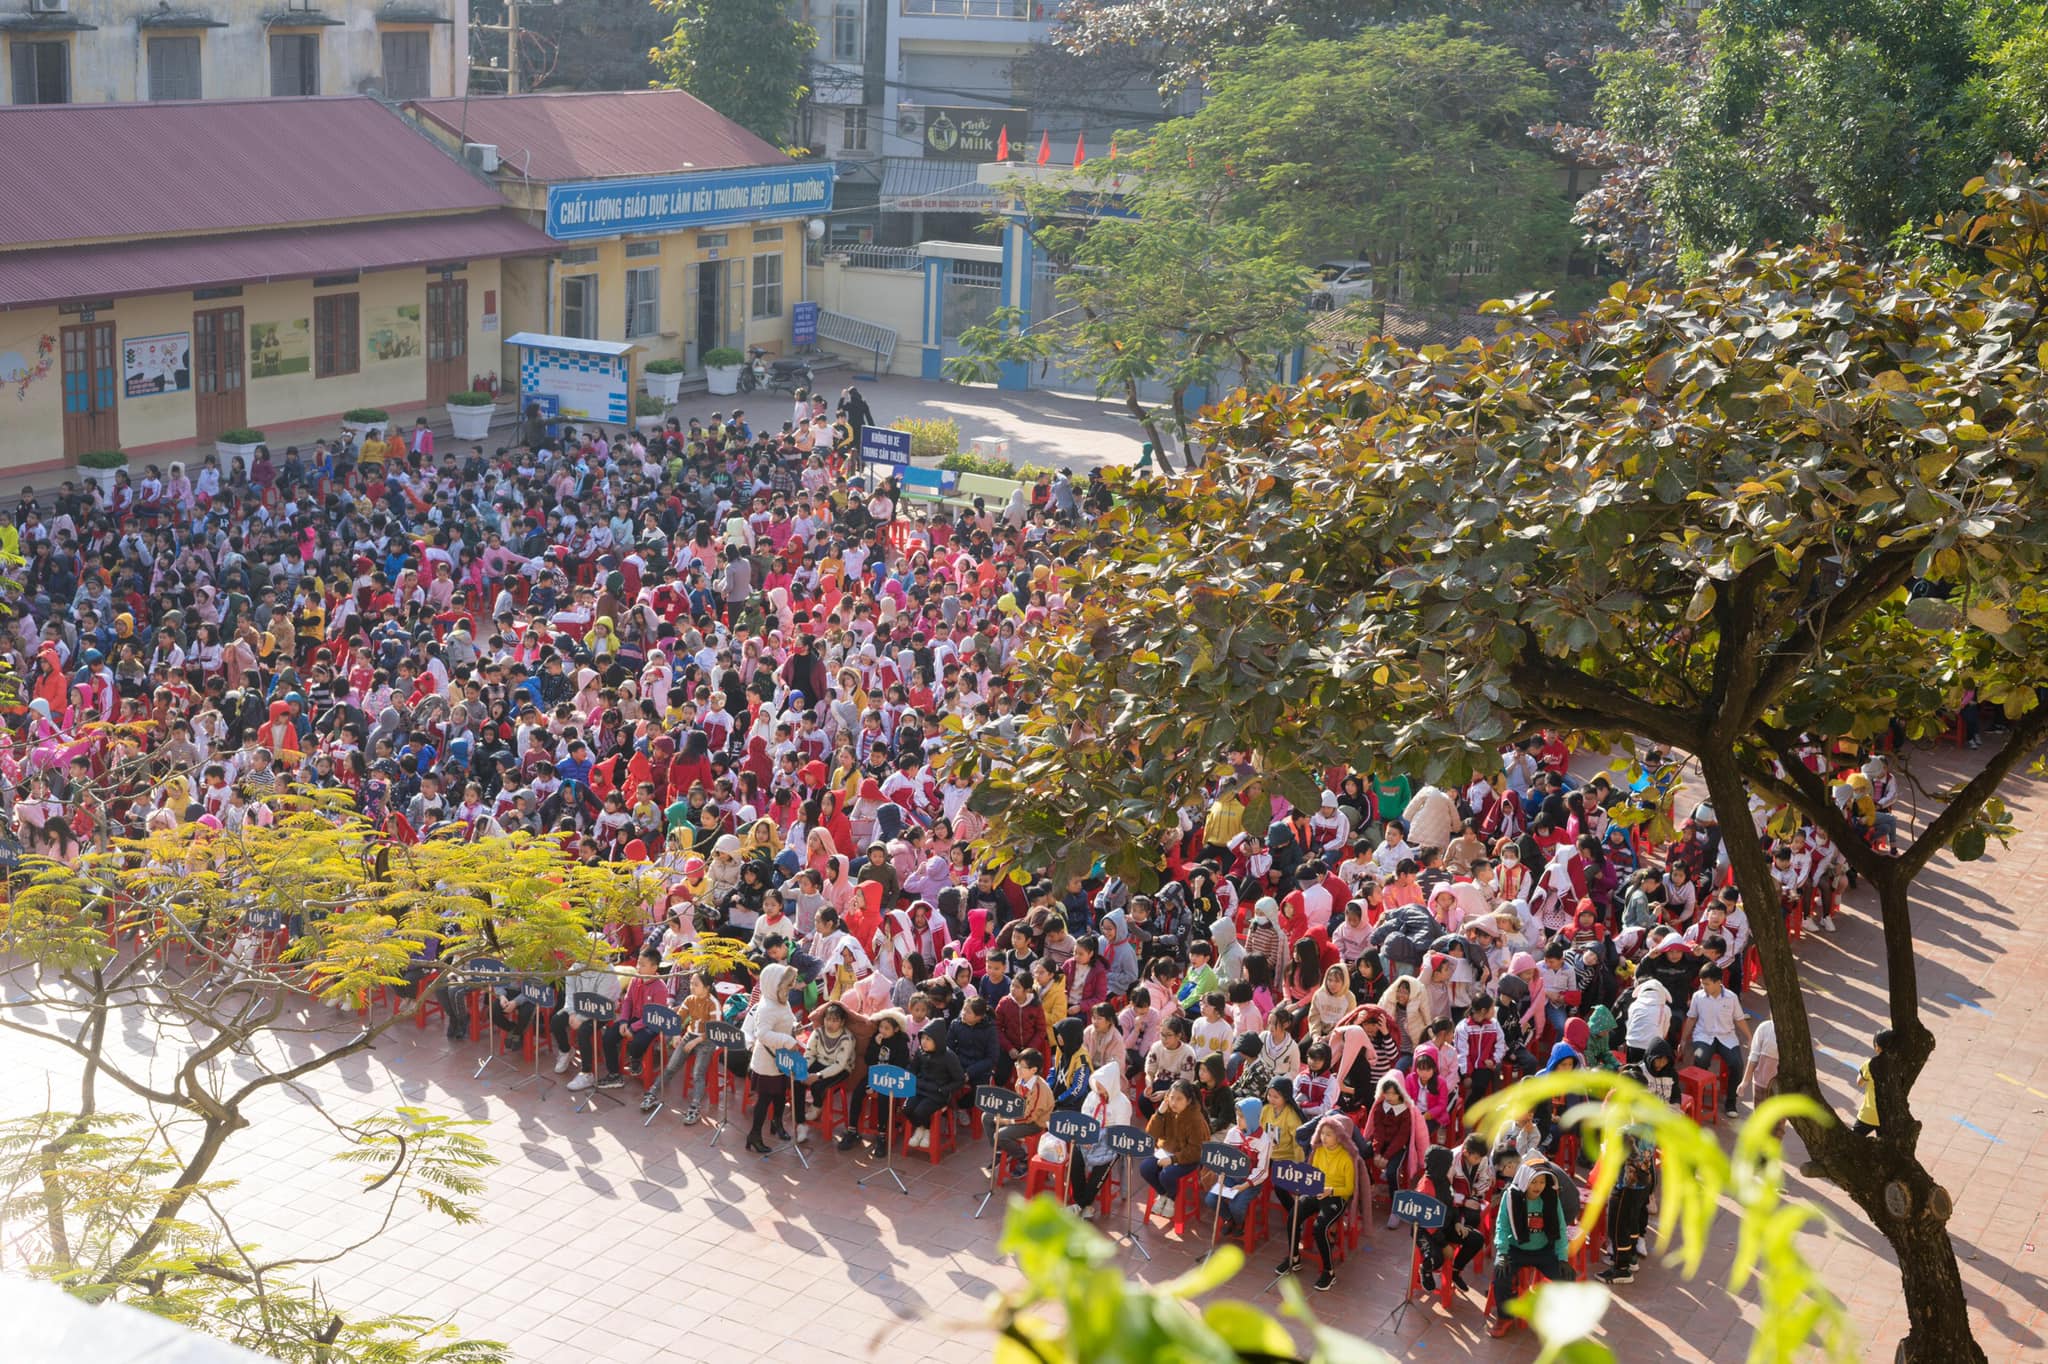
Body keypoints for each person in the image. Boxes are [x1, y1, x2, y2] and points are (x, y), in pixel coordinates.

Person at [1488, 1161, 1574, 1336]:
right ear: (1525, 1180)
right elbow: (1502, 1226)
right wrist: (1502, 1253)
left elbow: (1561, 1228)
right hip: (1515, 1249)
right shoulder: (1511, 1197)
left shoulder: (1551, 1198)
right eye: (1534, 1182)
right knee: (1500, 1274)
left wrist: (1563, 1258)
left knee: (1568, 1277)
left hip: (1543, 1250)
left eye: (1542, 1182)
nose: (1538, 1186)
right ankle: (1505, 1317)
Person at [1676, 962, 1748, 1118]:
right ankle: (1698, 1098)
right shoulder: (1698, 997)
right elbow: (1691, 1019)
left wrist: (1750, 1037)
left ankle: (1731, 1101)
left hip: (1727, 1037)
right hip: (1703, 1036)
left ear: (1718, 982)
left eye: (1707, 984)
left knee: (1736, 1064)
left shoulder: (1731, 998)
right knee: (1700, 1059)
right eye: (1702, 983)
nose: (1703, 987)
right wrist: (1682, 1040)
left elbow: (1740, 1019)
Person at [742, 962, 800, 1155]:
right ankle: (755, 1134)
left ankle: (777, 1123)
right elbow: (762, 1034)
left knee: (780, 1094)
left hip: (781, 1058)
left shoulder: (782, 1000)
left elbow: (789, 1018)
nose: (790, 988)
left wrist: (796, 1028)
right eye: (787, 985)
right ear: (774, 984)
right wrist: (787, 1040)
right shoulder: (766, 1007)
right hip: (767, 1061)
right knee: (764, 1099)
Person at [1203, 1097, 1273, 1238]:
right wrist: (1221, 1173)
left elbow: (1262, 1170)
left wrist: (1245, 1185)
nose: (1238, 1119)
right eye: (1237, 1115)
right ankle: (1230, 1219)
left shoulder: (1265, 1140)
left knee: (1237, 1205)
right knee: (1211, 1199)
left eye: (1242, 1117)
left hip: (1250, 1182)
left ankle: (1239, 1222)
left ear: (1253, 1118)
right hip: (1231, 1176)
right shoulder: (1233, 1133)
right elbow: (1225, 1156)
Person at [1068, 1062, 1132, 1219]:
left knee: (1102, 1166)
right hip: (1090, 1136)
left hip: (1110, 1141)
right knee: (1075, 1158)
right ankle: (1083, 1203)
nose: (1097, 1086)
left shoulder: (1122, 1103)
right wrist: (1087, 1137)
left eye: (1101, 1083)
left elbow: (1121, 1132)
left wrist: (1099, 1138)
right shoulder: (1092, 1096)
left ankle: (1080, 1204)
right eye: (1096, 1082)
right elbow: (1085, 1118)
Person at [1139, 1080, 1209, 1204]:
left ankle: (1172, 1198)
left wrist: (1173, 1160)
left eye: (1179, 1099)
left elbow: (1196, 1151)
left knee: (1166, 1175)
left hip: (1188, 1158)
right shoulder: (1166, 1110)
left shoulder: (1196, 1120)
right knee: (1145, 1168)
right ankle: (1164, 1194)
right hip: (1167, 1151)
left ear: (1188, 1101)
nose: (1174, 1103)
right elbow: (1150, 1136)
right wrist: (1159, 1114)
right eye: (1171, 1098)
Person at [902, 1019, 967, 1151]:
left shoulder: (949, 1056)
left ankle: (928, 1131)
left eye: (928, 1039)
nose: (924, 1042)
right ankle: (922, 1128)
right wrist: (910, 1077)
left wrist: (943, 1089)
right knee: (907, 1109)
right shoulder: (921, 1052)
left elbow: (960, 1079)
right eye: (923, 1038)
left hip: (937, 1093)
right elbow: (912, 1068)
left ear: (937, 1040)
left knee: (920, 1111)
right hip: (920, 1088)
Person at [991, 1047, 1054, 1171]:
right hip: (1022, 1115)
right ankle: (1000, 1150)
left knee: (999, 1134)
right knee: (987, 1117)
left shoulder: (1040, 1089)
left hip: (1034, 1123)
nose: (1018, 1069)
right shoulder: (1021, 1081)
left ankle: (1023, 1157)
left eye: (1022, 1067)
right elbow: (1017, 1103)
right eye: (1017, 1065)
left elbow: (1030, 1117)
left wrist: (1007, 1121)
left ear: (1034, 1070)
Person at [1854, 1028, 1894, 1136]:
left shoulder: (1870, 1064)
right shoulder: (1899, 1065)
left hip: (1869, 1113)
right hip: (1888, 1115)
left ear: (1877, 1047)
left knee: (1855, 1137)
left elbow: (1859, 1082)